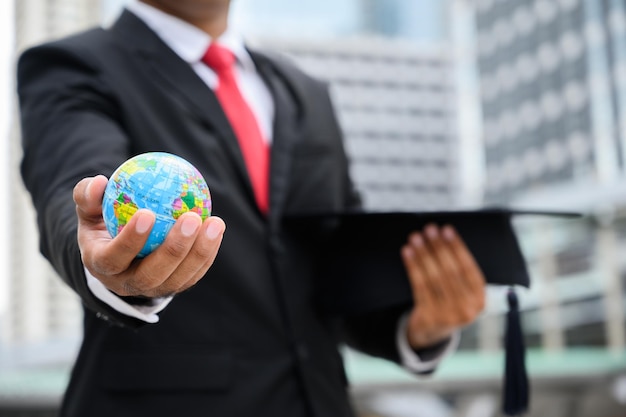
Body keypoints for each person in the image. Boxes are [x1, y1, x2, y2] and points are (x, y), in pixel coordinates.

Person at [16, 1, 486, 416]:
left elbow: (332, 272)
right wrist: (107, 262)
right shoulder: (73, 65)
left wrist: (418, 326)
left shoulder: (306, 92)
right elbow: (70, 185)